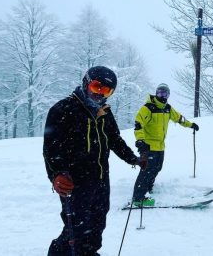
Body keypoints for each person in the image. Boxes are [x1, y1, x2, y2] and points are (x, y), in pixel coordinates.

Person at [43, 66, 146, 256]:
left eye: (107, 90)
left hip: (100, 179)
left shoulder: (104, 113)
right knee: (75, 228)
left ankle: (89, 252)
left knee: (98, 223)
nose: (100, 94)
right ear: (86, 83)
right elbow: (51, 148)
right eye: (97, 87)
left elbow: (115, 140)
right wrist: (57, 174)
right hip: (74, 181)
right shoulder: (63, 109)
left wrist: (134, 159)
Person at [131, 83, 199, 206]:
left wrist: (191, 125)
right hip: (148, 146)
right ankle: (138, 198)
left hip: (160, 146)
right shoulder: (148, 108)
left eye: (165, 93)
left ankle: (148, 187)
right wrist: (140, 141)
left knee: (157, 168)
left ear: (168, 95)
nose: (162, 95)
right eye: (160, 93)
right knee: (146, 171)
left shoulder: (167, 108)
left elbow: (179, 118)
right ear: (156, 93)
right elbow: (138, 123)